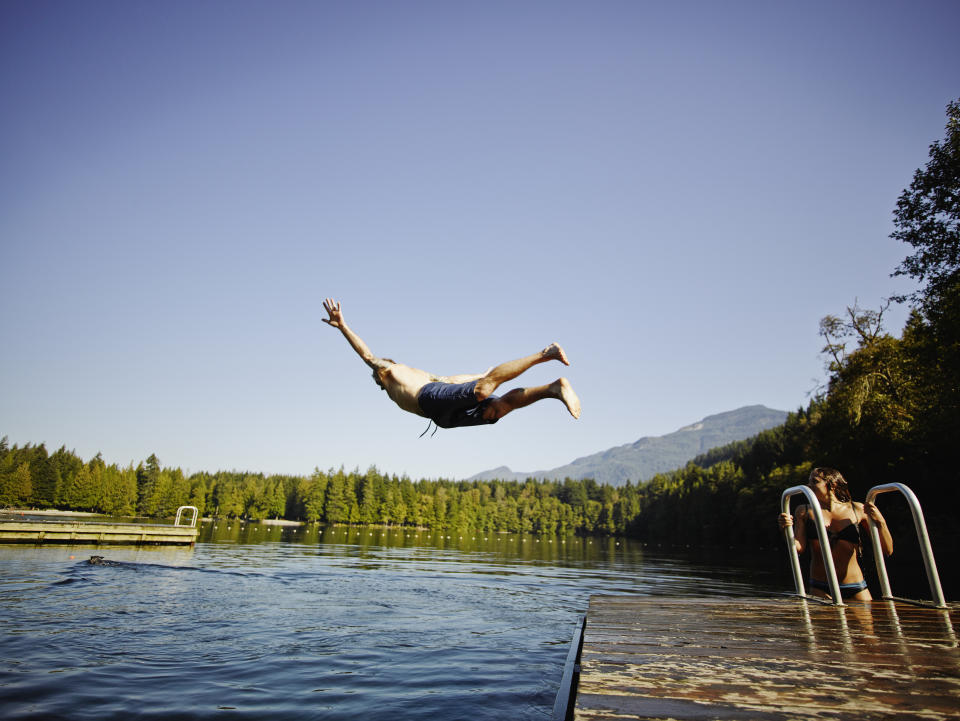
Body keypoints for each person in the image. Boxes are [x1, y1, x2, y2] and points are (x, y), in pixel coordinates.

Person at [322, 298, 581, 430]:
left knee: (482, 390)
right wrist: (479, 375)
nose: (376, 382)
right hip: (441, 415)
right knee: (497, 410)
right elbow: (448, 381)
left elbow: (366, 355)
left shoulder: (390, 371)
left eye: (376, 379)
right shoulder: (417, 375)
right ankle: (553, 389)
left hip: (431, 400)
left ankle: (545, 354)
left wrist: (343, 327)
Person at [778, 467, 893, 601]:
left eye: (814, 482)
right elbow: (799, 548)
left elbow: (887, 550)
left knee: (865, 622)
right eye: (808, 482)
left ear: (832, 485)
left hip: (855, 585)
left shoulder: (857, 509)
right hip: (820, 586)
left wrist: (881, 522)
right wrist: (785, 529)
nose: (809, 486)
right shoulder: (804, 511)